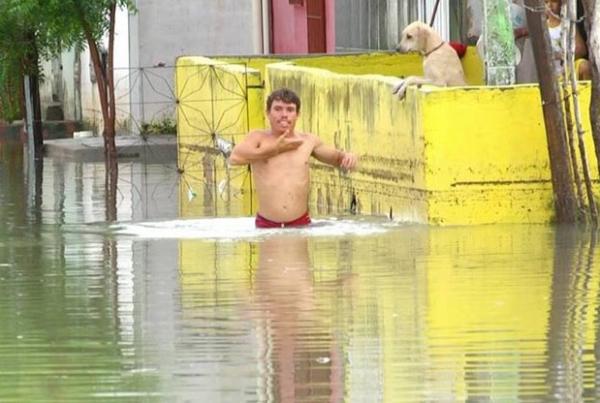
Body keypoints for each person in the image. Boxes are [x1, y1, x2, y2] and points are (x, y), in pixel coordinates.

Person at [228, 88, 358, 228]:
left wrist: (349, 156)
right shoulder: (258, 138)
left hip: (300, 224)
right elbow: (234, 158)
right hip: (267, 226)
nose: (284, 115)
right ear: (268, 113)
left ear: (297, 114)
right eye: (278, 109)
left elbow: (337, 158)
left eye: (290, 110)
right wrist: (273, 150)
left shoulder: (308, 141)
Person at [545, 0, 591, 79]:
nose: (550, 5)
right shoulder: (541, 27)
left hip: (568, 69)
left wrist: (564, 55)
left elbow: (582, 50)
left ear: (561, 4)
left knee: (585, 66)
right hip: (550, 74)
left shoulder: (568, 24)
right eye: (546, 2)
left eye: (554, 1)